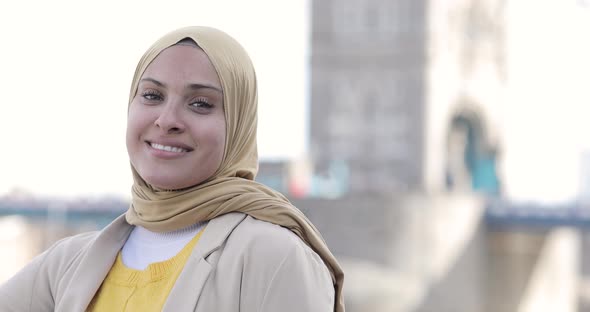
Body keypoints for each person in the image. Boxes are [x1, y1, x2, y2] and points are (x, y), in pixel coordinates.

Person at [0, 26, 344, 312]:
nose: (167, 120)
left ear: (239, 124)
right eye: (151, 95)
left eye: (200, 103)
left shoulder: (273, 258)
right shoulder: (67, 264)